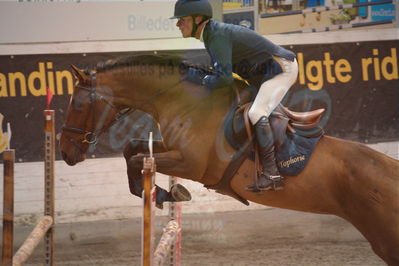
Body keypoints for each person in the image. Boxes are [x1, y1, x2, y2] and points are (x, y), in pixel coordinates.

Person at [171, 0, 298, 192]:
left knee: (256, 113)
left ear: (198, 19)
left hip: (281, 69)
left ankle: (272, 174)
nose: (178, 24)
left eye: (182, 20)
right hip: (262, 75)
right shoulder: (211, 34)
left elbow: (224, 80)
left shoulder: (216, 35)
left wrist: (203, 80)